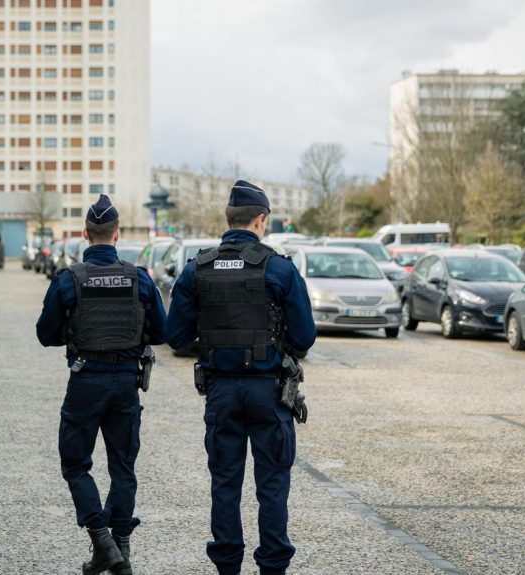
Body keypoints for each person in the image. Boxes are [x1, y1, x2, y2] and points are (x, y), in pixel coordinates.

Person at [164, 180, 316, 575]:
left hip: (221, 391)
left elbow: (175, 336)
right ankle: (273, 568)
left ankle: (227, 566)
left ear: (228, 219)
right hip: (269, 392)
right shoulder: (280, 269)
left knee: (226, 483)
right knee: (272, 485)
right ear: (260, 220)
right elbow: (304, 338)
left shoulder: (197, 268)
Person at [36, 194, 168, 575]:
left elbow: (46, 334)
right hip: (126, 382)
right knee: (123, 467)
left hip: (86, 380)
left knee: (75, 464)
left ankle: (101, 539)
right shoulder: (138, 277)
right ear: (117, 235)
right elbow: (160, 331)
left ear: (84, 234)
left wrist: (76, 331)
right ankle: (121, 550)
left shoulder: (69, 279)